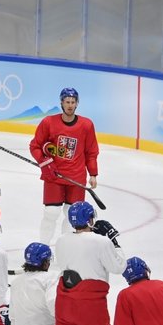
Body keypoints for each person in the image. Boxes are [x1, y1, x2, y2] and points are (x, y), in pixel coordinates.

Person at [29, 87, 100, 246]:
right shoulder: (48, 122)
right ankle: (43, 249)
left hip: (76, 177)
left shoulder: (86, 125)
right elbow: (35, 146)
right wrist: (45, 162)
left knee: (71, 215)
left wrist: (93, 173)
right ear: (61, 103)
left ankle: (65, 248)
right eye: (67, 102)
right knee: (51, 212)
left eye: (73, 102)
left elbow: (91, 151)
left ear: (77, 104)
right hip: (53, 176)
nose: (70, 105)